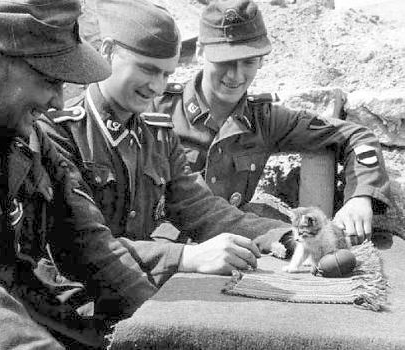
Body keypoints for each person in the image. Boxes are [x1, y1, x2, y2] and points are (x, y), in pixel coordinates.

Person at [0, 0, 159, 349]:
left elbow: (93, 244)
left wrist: (161, 325)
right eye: (51, 82)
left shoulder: (27, 134)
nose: (58, 101)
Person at [38, 0, 292, 302]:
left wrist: (286, 235)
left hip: (141, 293)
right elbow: (83, 246)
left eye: (167, 75)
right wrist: (187, 257)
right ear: (107, 51)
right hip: (78, 307)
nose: (157, 87)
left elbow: (203, 211)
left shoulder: (157, 135)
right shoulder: (57, 132)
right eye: (147, 70)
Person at [152, 0, 390, 249]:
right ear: (200, 51)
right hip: (170, 254)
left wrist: (360, 197)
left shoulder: (263, 120)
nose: (235, 75)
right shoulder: (156, 111)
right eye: (224, 61)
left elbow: (355, 136)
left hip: (237, 248)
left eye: (248, 62)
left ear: (262, 61)